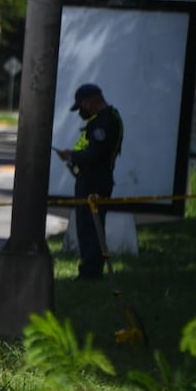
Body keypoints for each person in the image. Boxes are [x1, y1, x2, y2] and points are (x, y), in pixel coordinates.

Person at [56, 83, 123, 280]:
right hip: (95, 179)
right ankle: (91, 269)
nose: (82, 110)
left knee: (89, 227)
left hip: (94, 182)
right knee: (90, 226)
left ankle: (90, 272)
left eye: (82, 105)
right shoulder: (109, 117)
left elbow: (95, 154)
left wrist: (72, 156)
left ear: (91, 101)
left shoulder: (103, 123)